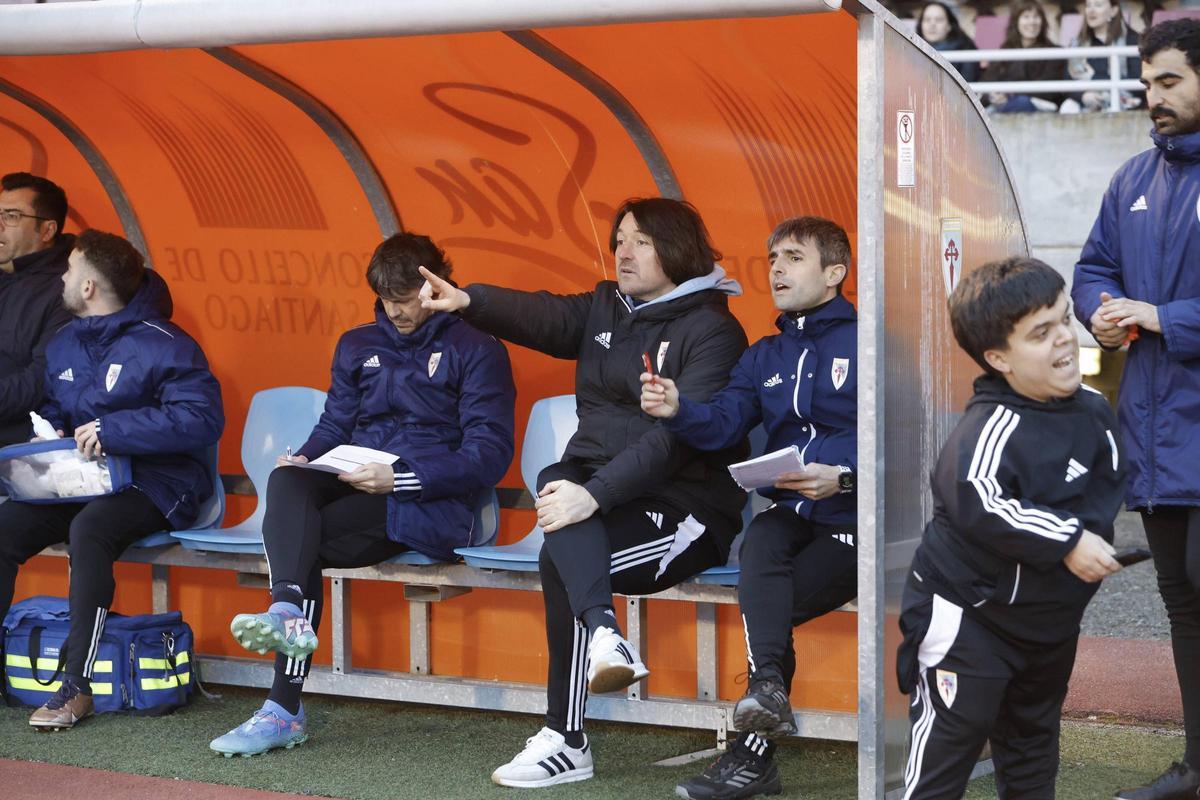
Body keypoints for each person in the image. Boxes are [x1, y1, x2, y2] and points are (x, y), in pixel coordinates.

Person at [419, 197, 749, 788]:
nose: (624, 250)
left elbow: (672, 443)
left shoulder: (714, 329)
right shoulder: (606, 306)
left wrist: (593, 496)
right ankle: (602, 637)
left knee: (560, 555)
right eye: (620, 238)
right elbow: (543, 316)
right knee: (553, 483)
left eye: (641, 241)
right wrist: (471, 302)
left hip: (684, 510)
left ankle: (568, 738)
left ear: (677, 249)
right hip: (602, 493)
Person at [210, 232, 515, 757]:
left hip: (431, 502)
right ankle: (286, 615)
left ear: (434, 285)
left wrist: (400, 478)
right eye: (387, 299)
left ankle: (284, 705)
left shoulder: (478, 347)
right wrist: (306, 457)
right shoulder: (357, 344)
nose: (396, 311)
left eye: (407, 299)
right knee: (287, 480)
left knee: (301, 542)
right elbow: (335, 424)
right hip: (359, 483)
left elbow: (488, 455)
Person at [639, 217, 858, 800]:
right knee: (762, 540)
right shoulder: (765, 354)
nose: (777, 269)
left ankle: (753, 753)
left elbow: (910, 439)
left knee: (769, 601)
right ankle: (765, 699)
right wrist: (680, 408)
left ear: (835, 273)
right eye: (772, 258)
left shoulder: (872, 342)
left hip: (864, 518)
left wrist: (847, 479)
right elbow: (725, 424)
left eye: (793, 257)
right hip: (792, 512)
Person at [897, 257, 1126, 798]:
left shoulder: (1094, 410)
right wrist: (1068, 540)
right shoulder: (989, 427)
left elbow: (1106, 493)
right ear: (998, 357)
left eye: (1064, 319)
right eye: (1041, 333)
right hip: (969, 615)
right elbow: (981, 499)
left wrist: (1083, 555)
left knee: (1031, 751)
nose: (1065, 341)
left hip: (1047, 626)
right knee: (944, 757)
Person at [0, 229, 224, 730]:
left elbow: (202, 420)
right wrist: (49, 432)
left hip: (162, 481)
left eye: (70, 268)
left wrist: (115, 431)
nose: (61, 274)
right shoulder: (66, 342)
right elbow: (58, 406)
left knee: (90, 530)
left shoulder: (167, 343)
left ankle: (76, 687)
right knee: (5, 524)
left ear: (88, 289)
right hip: (83, 480)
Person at [1072, 18, 1200, 799]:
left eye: (1170, 82)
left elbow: (1161, 311)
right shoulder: (1132, 180)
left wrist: (1163, 317)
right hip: (1155, 433)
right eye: (1147, 83)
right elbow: (1093, 267)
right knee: (1182, 604)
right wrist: (1102, 308)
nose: (1151, 98)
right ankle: (1196, 767)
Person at [0, 172, 74, 446]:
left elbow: (44, 378)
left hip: (20, 441)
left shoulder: (68, 288)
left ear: (47, 230)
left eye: (12, 216)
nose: (0, 225)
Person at [982, 1, 1067, 113]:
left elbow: (1049, 92)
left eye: (1036, 17)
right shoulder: (1005, 51)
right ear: (1016, 22)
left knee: (1022, 102)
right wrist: (992, 96)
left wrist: (1009, 94)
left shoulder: (1054, 52)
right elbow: (987, 81)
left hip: (1041, 107)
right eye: (1026, 17)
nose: (1032, 22)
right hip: (1005, 106)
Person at [1066, 0, 1142, 112]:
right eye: (1088, 5)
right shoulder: (1078, 43)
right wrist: (1083, 96)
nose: (1091, 10)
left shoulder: (1132, 40)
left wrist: (1094, 78)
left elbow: (1138, 81)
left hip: (1124, 103)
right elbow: (1067, 80)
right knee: (1068, 107)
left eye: (1098, 5)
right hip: (1087, 103)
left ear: (1113, 11)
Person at [917, 2, 981, 83]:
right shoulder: (911, 50)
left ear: (949, 26)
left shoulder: (966, 50)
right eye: (927, 19)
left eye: (939, 20)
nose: (932, 24)